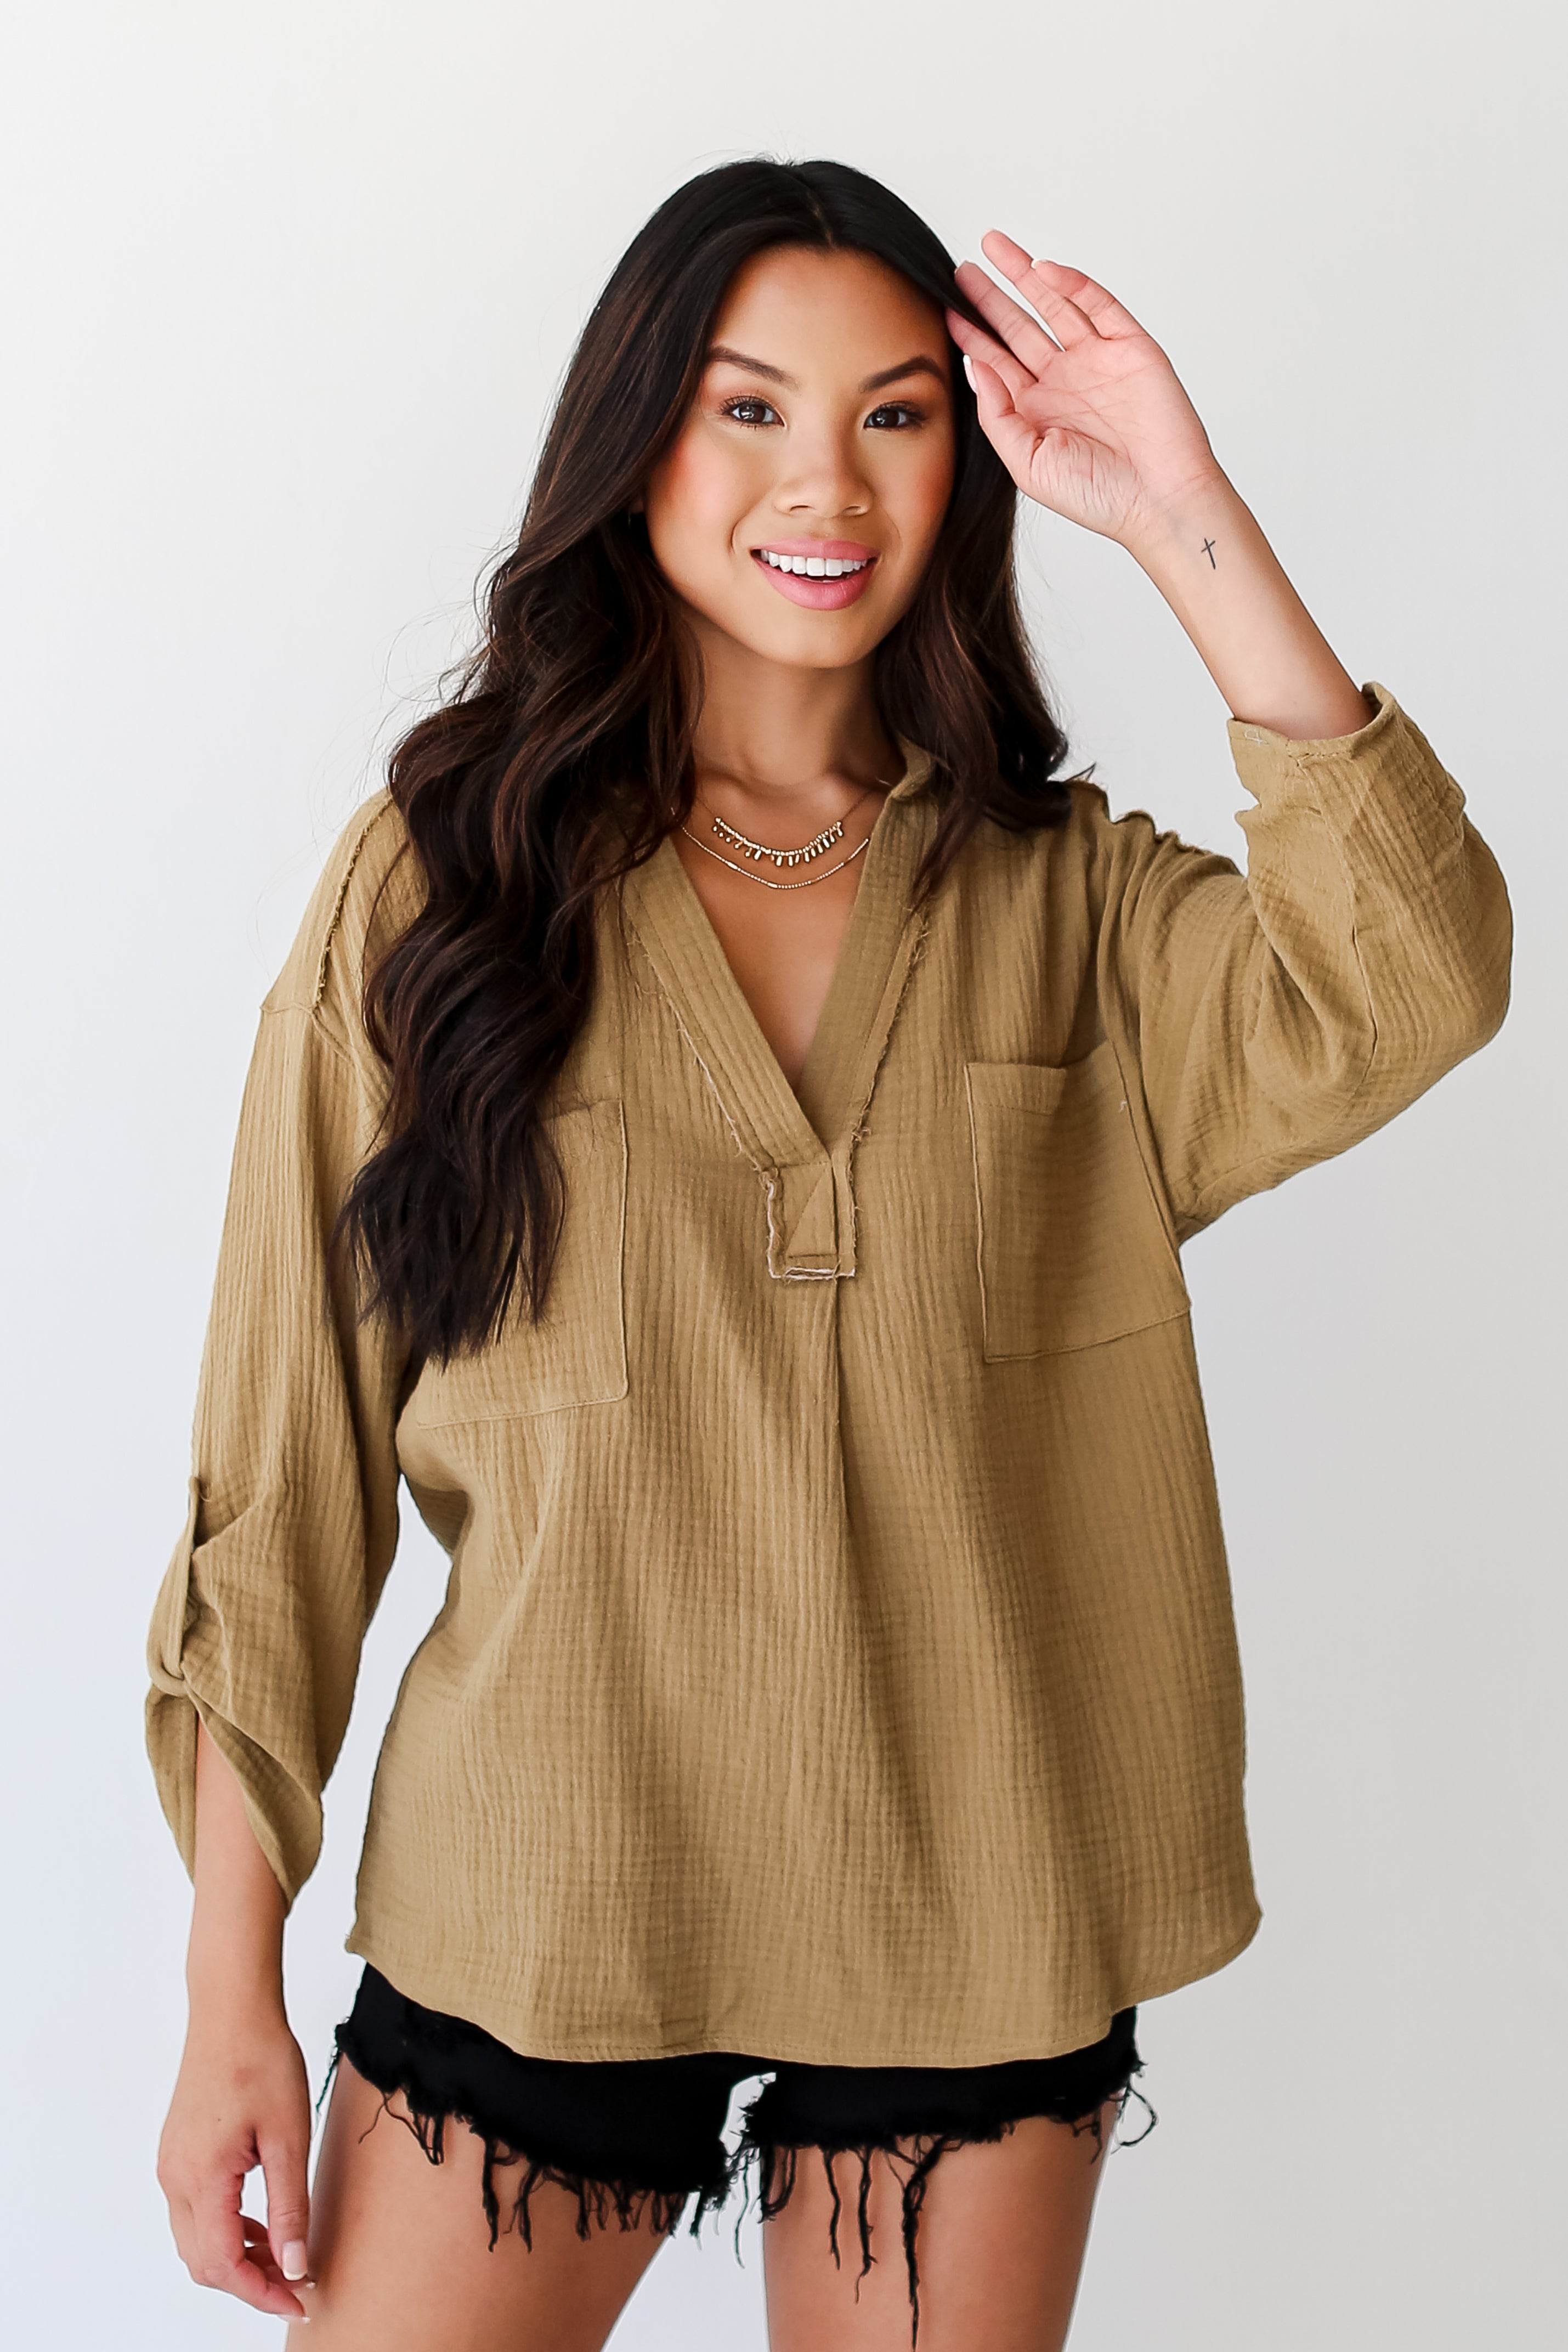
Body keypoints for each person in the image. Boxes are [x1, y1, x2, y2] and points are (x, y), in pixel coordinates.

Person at [146, 157, 1511, 2352]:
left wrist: (1180, 508)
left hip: (976, 1901)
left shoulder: (1069, 907)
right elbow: (279, 1484)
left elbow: (1414, 980)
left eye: (895, 414)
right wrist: (232, 1989)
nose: (828, 483)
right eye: (748, 408)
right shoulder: (441, 889)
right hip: (552, 1893)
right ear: (637, 445)